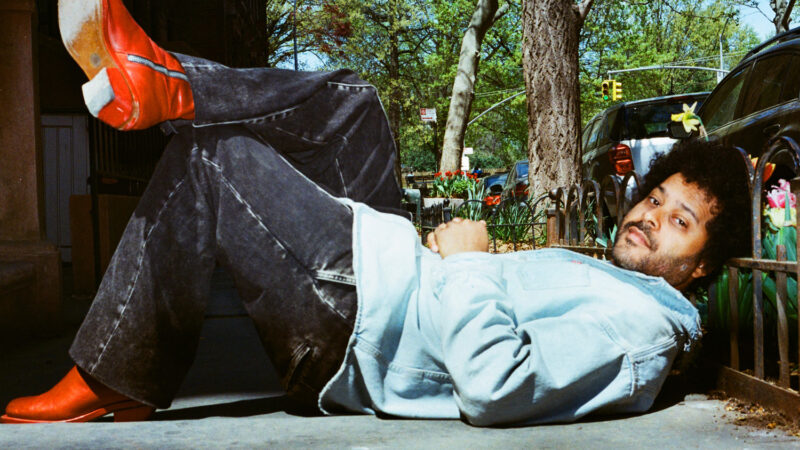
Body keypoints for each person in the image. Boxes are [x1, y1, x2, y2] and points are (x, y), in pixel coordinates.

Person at [2, 0, 751, 426]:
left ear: (702, 268)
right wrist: (462, 267)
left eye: (679, 221)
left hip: (358, 327)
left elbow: (496, 385)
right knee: (355, 103)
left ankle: (116, 373)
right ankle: (168, 82)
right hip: (391, 280)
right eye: (655, 198)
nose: (650, 216)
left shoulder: (642, 331)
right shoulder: (618, 280)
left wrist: (467, 267)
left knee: (217, 159)